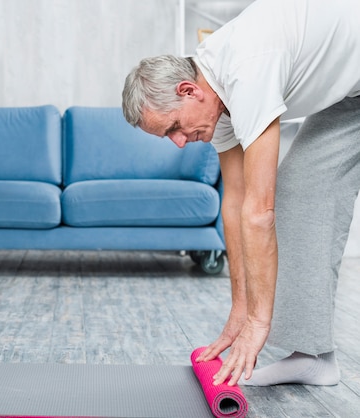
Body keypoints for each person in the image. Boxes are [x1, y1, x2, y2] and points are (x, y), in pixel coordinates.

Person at [122, 0, 360, 387]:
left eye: (174, 128)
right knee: (299, 190)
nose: (180, 143)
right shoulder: (213, 101)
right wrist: (240, 308)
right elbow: (235, 203)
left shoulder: (248, 69)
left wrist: (257, 323)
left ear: (188, 90)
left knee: (274, 200)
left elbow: (259, 210)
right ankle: (313, 356)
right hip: (351, 94)